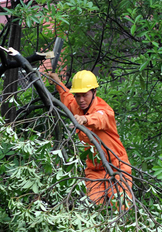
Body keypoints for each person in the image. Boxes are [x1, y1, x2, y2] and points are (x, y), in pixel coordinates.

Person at [47, 70, 133, 205]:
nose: (81, 100)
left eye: (84, 95)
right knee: (92, 207)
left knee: (120, 207)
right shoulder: (76, 106)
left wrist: (85, 119)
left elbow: (100, 118)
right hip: (94, 170)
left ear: (94, 92)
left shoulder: (104, 110)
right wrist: (58, 82)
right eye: (78, 95)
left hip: (118, 167)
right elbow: (67, 97)